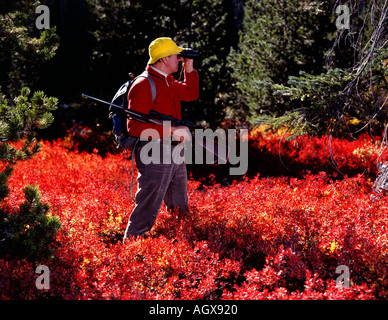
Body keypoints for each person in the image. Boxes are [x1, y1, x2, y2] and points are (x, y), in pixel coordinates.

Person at [123, 37, 199, 241]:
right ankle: (129, 255)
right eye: (176, 55)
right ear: (164, 59)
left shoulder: (168, 80)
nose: (179, 58)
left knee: (180, 207)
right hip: (153, 152)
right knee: (147, 208)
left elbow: (191, 94)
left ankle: (183, 248)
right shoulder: (143, 84)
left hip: (174, 150)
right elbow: (134, 126)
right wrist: (173, 132)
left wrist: (188, 69)